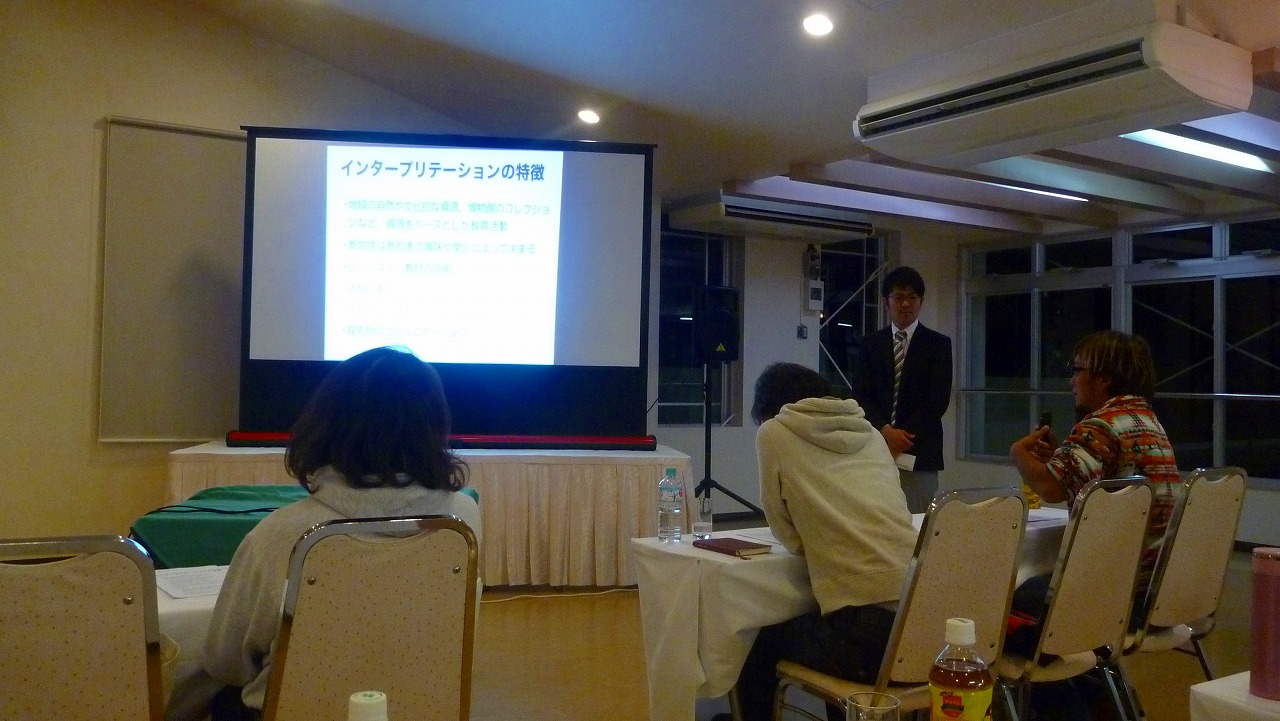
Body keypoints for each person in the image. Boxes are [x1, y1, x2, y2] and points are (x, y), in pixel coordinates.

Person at [202, 346, 482, 721]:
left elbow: (224, 662)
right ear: (434, 426)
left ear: (325, 424)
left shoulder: (282, 533)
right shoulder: (463, 519)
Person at [1006, 330, 1179, 721]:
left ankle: (1069, 708)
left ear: (1103, 378)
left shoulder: (1101, 425)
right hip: (1152, 590)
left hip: (1113, 598)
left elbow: (1050, 487)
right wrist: (1060, 460)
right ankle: (1107, 703)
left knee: (1004, 599)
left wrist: (1019, 454)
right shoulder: (1148, 421)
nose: (1071, 379)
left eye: (1077, 369)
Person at [734, 362, 918, 721]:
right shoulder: (871, 433)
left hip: (867, 636)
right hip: (922, 619)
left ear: (769, 406)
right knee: (822, 623)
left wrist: (821, 542)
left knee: (756, 640)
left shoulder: (774, 432)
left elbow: (783, 527)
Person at [853, 265, 953, 513]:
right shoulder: (870, 344)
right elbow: (860, 395)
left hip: (919, 450)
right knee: (875, 516)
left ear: (921, 302)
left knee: (916, 519)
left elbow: (937, 401)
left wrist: (901, 438)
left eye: (912, 297)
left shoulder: (938, 345)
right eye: (898, 297)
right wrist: (886, 431)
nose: (906, 304)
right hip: (875, 446)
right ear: (886, 303)